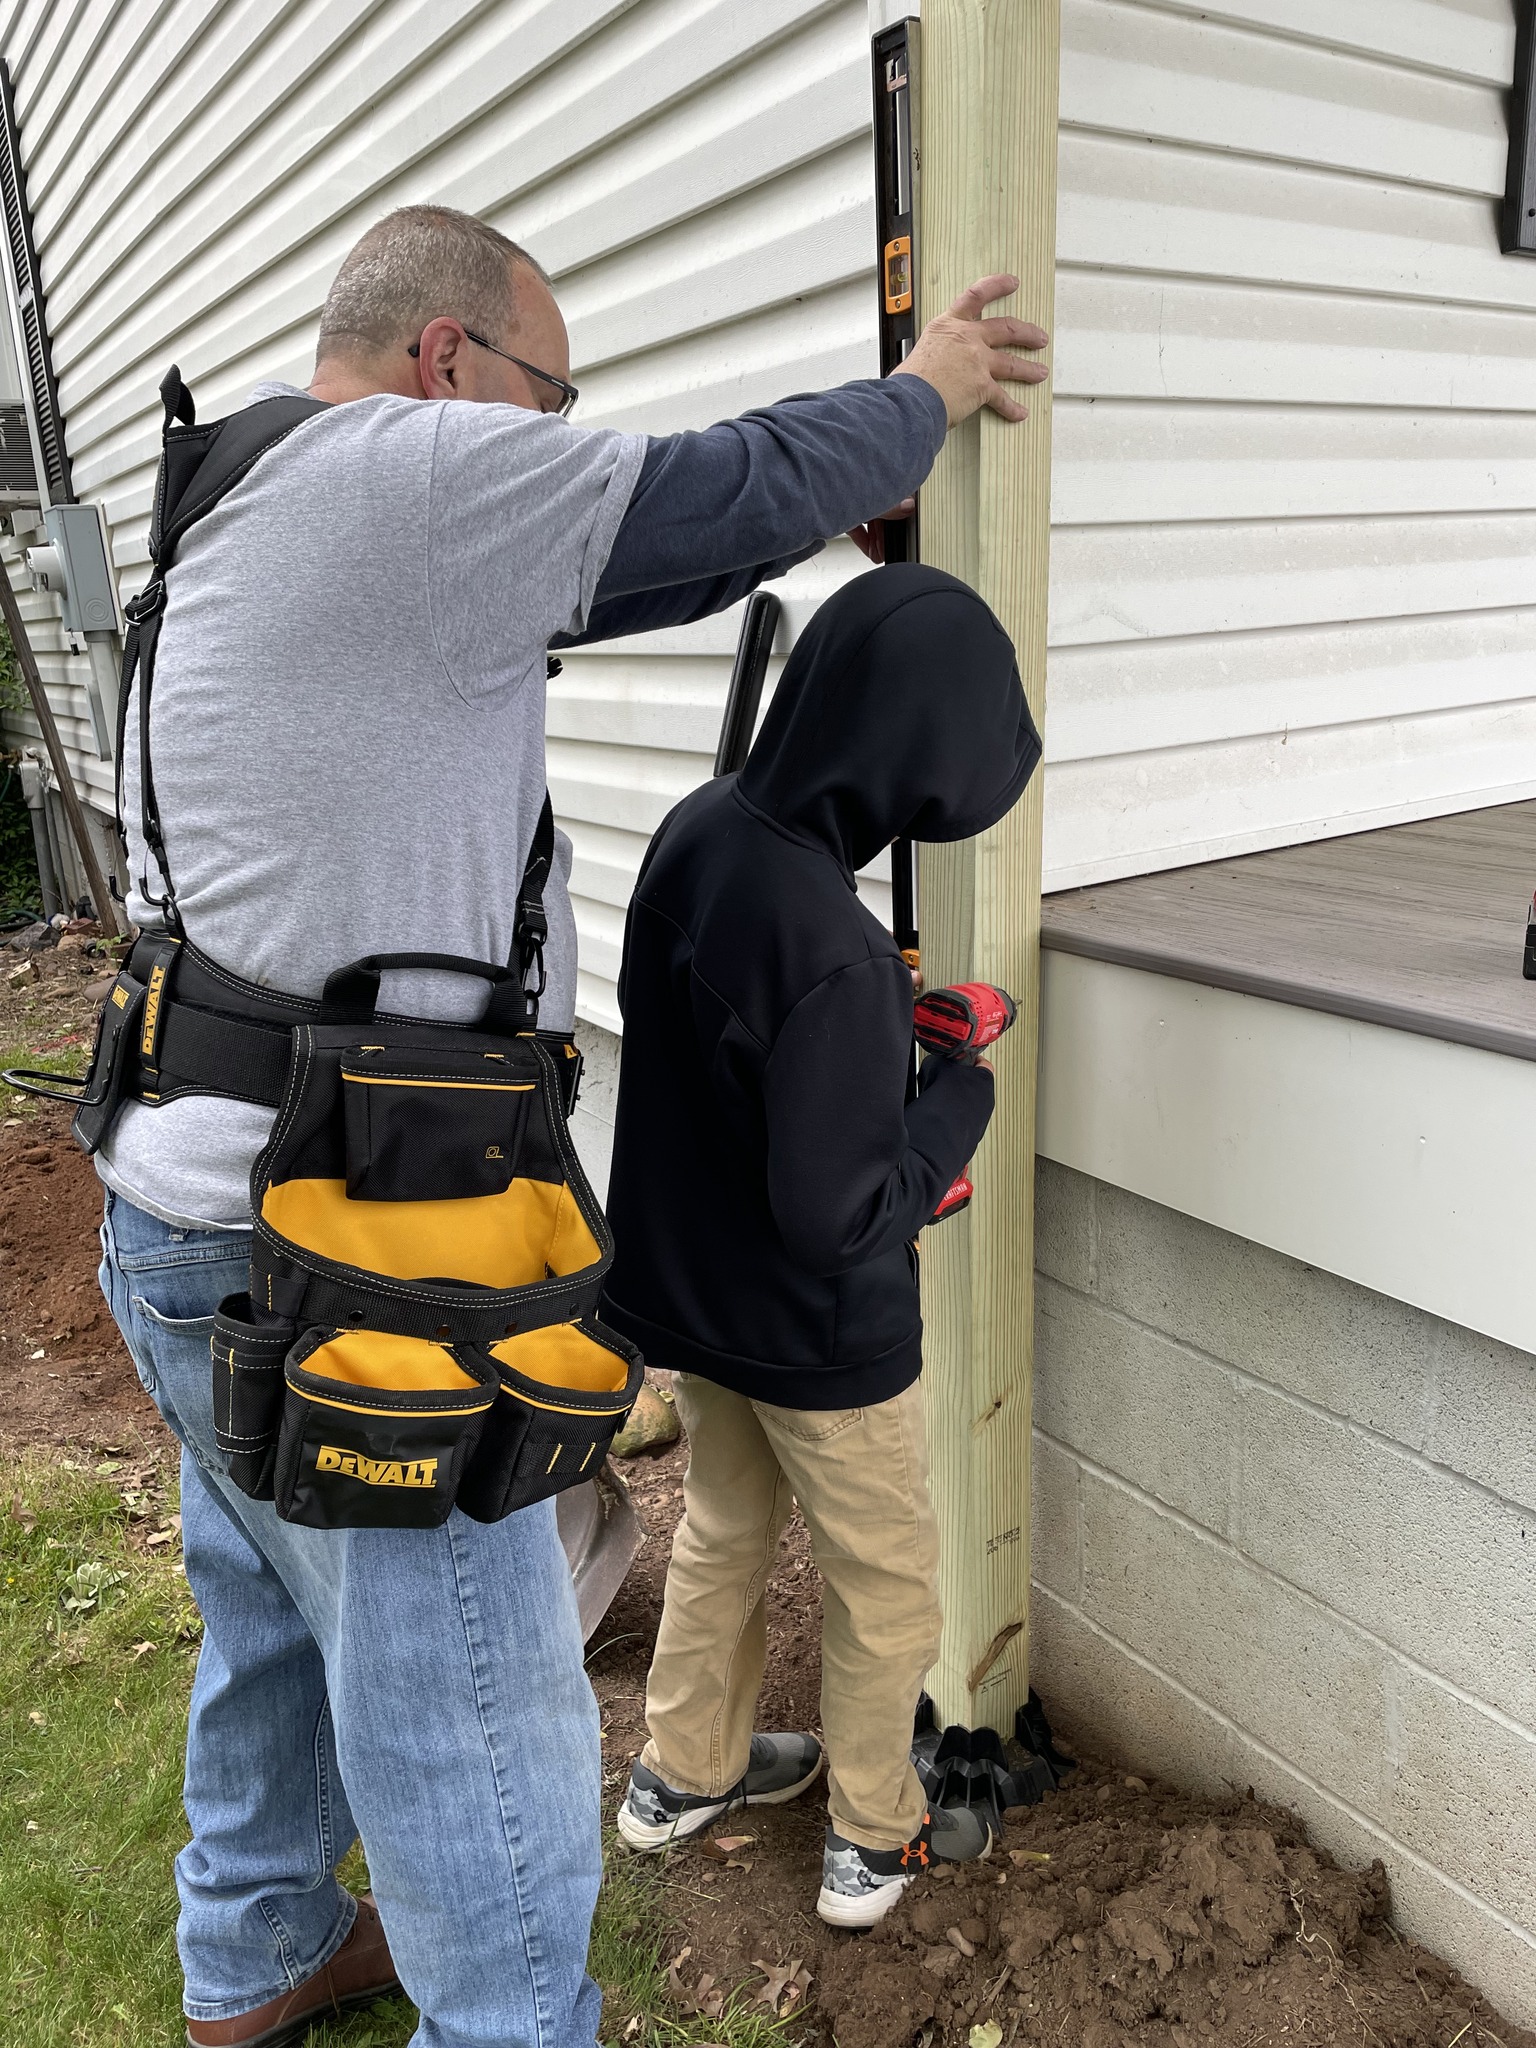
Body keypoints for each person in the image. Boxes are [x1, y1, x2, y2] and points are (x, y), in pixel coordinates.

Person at [95, 203, 1048, 2046]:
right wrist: (922, 397)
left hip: (185, 1191)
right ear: (450, 364)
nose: (559, 435)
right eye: (556, 393)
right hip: (342, 1242)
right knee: (474, 1701)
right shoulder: (404, 474)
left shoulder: (241, 497)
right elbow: (721, 493)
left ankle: (261, 1947)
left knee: (273, 1620)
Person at [602, 565, 1041, 1929]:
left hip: (696, 1303)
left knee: (728, 1526)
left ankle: (682, 1775)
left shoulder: (705, 831)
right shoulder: (840, 957)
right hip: (820, 1339)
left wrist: (868, 1072)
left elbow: (752, 1077)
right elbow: (841, 1214)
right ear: (922, 752)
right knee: (886, 1580)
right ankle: (875, 1834)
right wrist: (950, 1095)